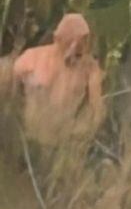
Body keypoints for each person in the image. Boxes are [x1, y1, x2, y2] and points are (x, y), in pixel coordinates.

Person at [12, 13, 105, 144]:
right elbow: (8, 89)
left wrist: (81, 131)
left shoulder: (89, 69)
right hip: (28, 139)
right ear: (58, 39)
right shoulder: (31, 58)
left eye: (83, 42)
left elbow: (97, 110)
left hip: (65, 142)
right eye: (71, 42)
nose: (77, 48)